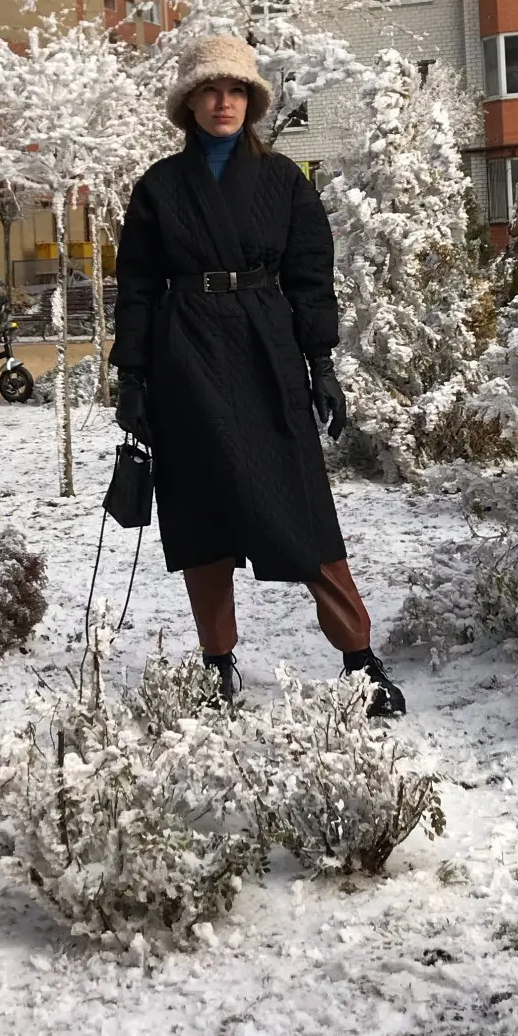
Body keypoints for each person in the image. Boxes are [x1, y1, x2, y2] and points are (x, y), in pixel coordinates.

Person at [112, 35, 406, 717]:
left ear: (252, 101)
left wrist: (321, 362)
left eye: (237, 90)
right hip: (184, 355)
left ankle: (360, 661)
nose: (224, 103)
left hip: (265, 349)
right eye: (211, 91)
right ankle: (217, 664)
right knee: (200, 511)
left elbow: (310, 277)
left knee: (301, 506)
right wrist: (132, 377)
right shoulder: (159, 187)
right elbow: (136, 287)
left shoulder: (283, 182)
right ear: (190, 103)